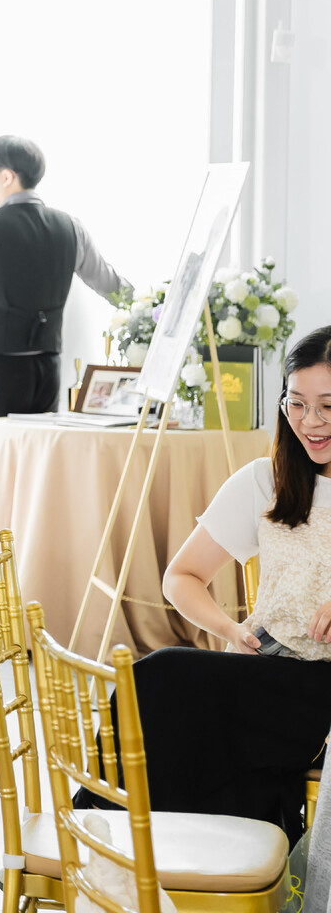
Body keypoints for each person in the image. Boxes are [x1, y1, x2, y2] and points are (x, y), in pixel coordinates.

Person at [93, 325, 331, 844]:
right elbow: (181, 576)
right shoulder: (265, 480)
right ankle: (122, 839)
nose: (311, 422)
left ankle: (117, 840)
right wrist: (230, 629)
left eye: (328, 407)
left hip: (322, 692)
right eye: (296, 404)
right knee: (158, 681)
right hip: (268, 668)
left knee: (170, 682)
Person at [0, 135, 129, 626]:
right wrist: (153, 309)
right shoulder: (70, 227)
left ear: (6, 176)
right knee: (31, 478)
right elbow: (110, 283)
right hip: (45, 368)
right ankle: (28, 591)